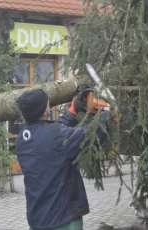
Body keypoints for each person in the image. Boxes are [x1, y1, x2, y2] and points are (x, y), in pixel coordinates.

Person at [16, 88, 114, 230]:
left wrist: (72, 112)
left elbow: (53, 132)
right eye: (47, 102)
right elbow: (88, 134)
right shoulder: (56, 137)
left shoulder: (22, 138)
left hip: (38, 219)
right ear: (43, 111)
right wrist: (106, 114)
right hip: (62, 219)